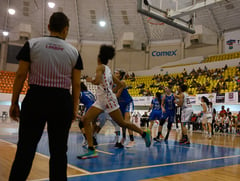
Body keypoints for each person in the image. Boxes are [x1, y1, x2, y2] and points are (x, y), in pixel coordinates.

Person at [9, 12, 83, 181]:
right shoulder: (74, 52)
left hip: (36, 98)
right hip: (61, 101)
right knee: (58, 152)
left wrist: (14, 102)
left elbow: (20, 75)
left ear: (49, 27)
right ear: (66, 29)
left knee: (25, 149)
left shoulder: (32, 44)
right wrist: (74, 107)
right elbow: (77, 84)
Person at [77, 45, 151, 159]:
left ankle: (144, 133)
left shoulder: (100, 67)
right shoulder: (108, 70)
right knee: (86, 119)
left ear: (99, 59)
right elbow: (121, 84)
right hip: (102, 100)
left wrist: (89, 80)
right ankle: (91, 149)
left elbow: (96, 81)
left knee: (122, 123)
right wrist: (112, 91)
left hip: (107, 99)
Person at [114, 69, 135, 148]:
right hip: (120, 104)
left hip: (127, 103)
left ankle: (132, 140)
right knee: (122, 123)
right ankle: (123, 138)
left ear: (120, 75)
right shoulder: (114, 83)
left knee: (127, 121)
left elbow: (117, 95)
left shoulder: (122, 82)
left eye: (117, 73)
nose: (115, 73)